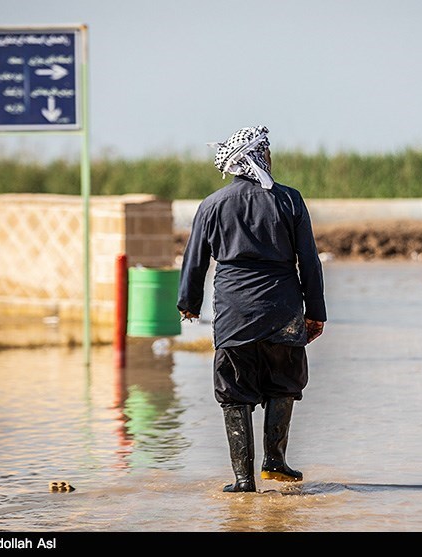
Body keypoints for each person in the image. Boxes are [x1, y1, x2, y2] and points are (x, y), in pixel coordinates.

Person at [177, 125, 327, 493]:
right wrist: (316, 311)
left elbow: (194, 260)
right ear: (259, 157)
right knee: (283, 383)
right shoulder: (289, 200)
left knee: (234, 389)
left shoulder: (212, 205)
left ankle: (243, 481)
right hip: (283, 310)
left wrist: (188, 303)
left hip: (234, 313)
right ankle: (275, 462)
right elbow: (309, 260)